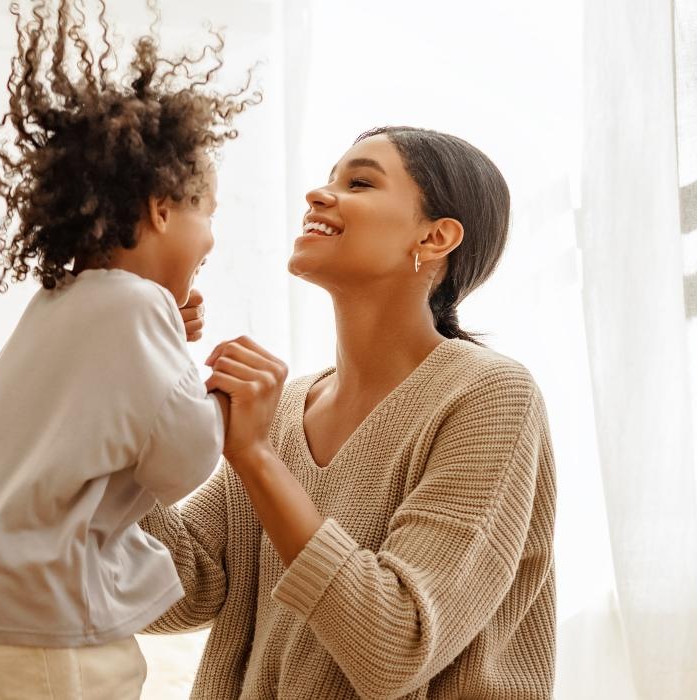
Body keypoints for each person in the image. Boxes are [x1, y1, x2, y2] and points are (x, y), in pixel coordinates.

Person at [146, 126, 558, 699]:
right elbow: (181, 587)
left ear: (436, 237)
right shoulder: (288, 406)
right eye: (329, 178)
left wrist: (256, 458)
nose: (318, 194)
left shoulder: (489, 396)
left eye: (360, 181)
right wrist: (141, 367)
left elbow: (396, 647)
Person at [0, 1, 257, 697]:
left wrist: (167, 331)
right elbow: (180, 462)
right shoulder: (138, 308)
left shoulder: (63, 303)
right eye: (209, 213)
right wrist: (230, 406)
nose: (210, 241)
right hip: (50, 603)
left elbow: (94, 418)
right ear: (163, 208)